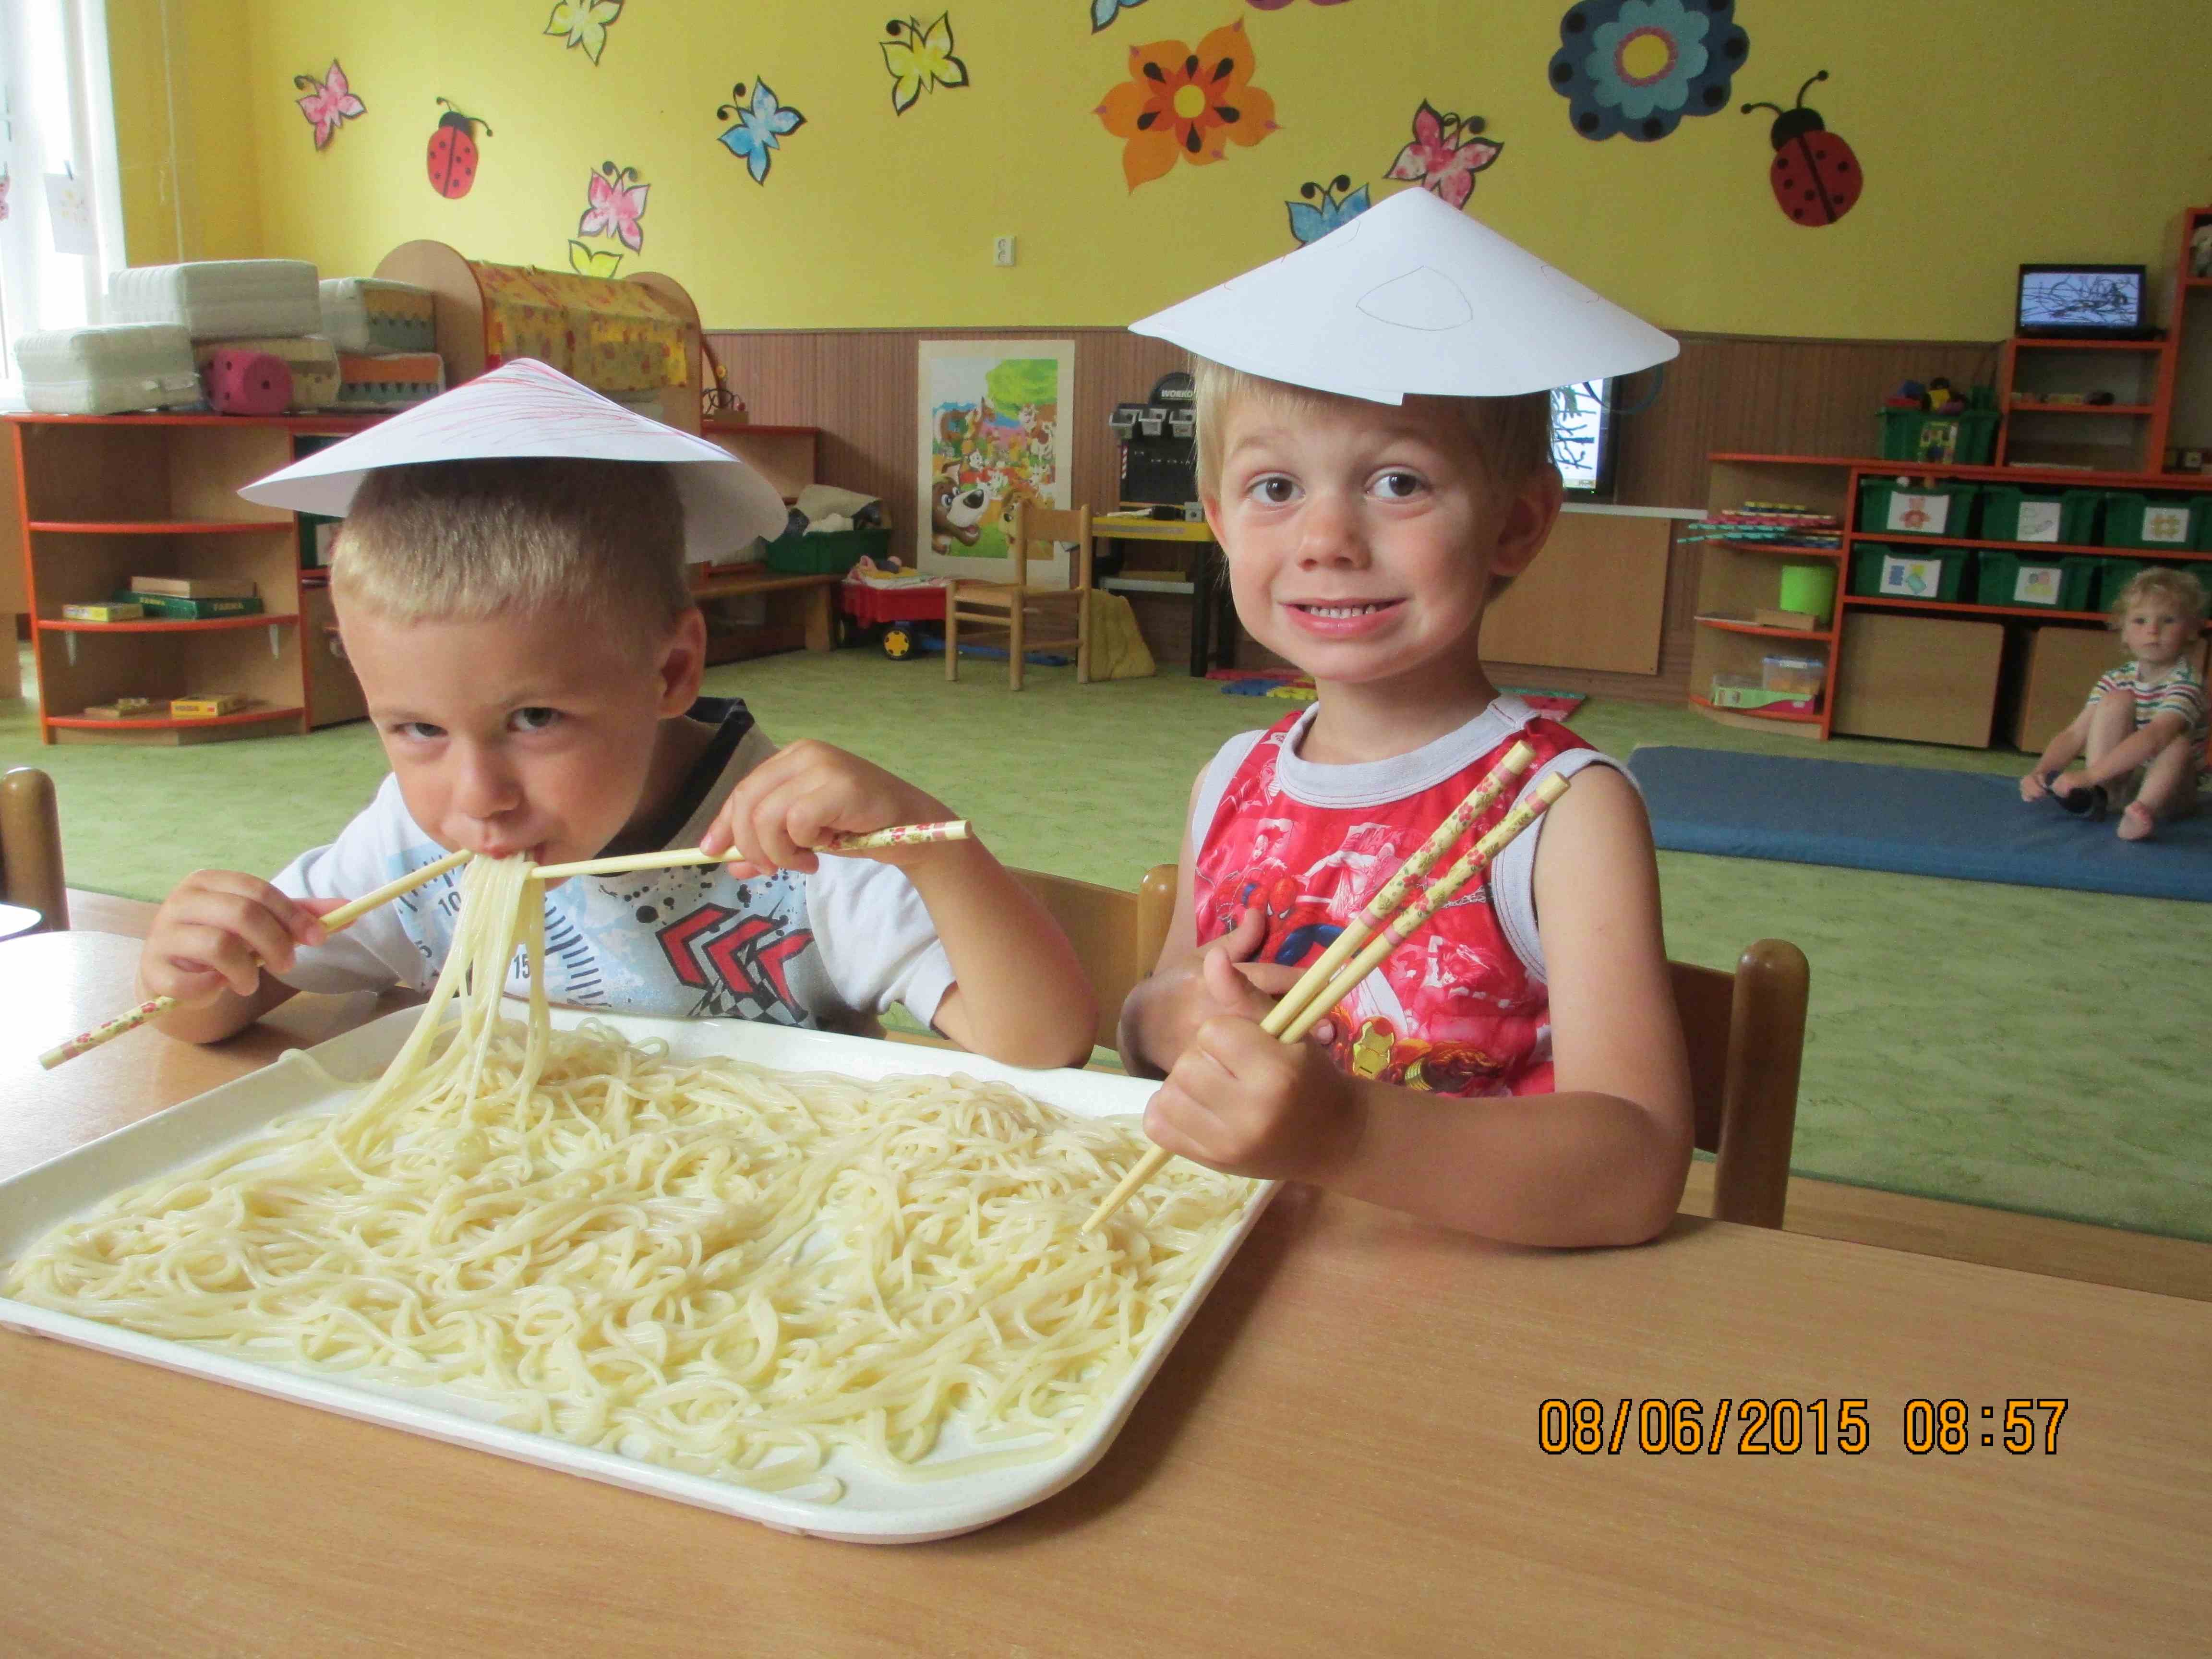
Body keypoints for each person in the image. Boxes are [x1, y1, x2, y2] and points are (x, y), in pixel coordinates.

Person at [137, 361, 1096, 1070]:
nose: (477, 799)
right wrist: (194, 970)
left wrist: (932, 845)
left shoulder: (798, 850)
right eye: (418, 729)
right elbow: (229, 1003)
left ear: (670, 670)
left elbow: (1043, 1046)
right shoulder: (408, 845)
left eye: (534, 719)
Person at [1116, 189, 1694, 1247]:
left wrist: (1343, 1132)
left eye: (1397, 481)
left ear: (1516, 522)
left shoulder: (1560, 811)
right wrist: (1167, 1021)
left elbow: (1637, 1168)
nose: (1327, 538)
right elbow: (1164, 1003)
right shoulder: (1232, 779)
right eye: (1275, 487)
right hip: (1239, 1261)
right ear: (1218, 521)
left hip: (1470, 1290)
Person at [2020, 566, 2208, 842]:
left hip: (2172, 790)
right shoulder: (2117, 678)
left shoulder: (2186, 681)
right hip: (2123, 778)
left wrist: (2089, 775)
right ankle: (2105, 795)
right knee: (2115, 701)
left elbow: (2157, 736)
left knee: (2176, 744)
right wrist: (2041, 773)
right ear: (2124, 633)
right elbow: (2074, 734)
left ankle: (2143, 811)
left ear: (2191, 630)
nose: (2153, 631)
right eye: (2140, 621)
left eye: (2168, 621)